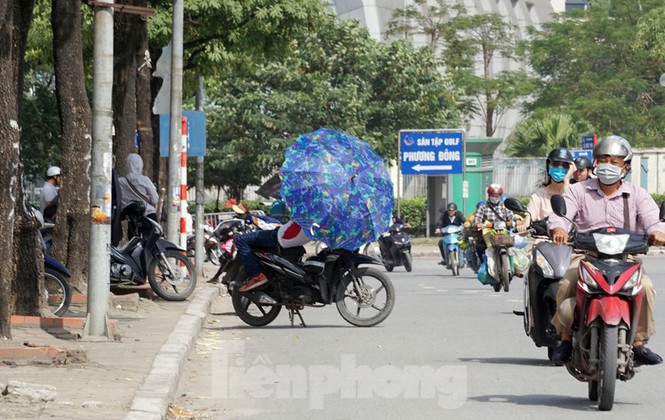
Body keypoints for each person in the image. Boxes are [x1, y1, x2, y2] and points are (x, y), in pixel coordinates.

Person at [549, 135, 665, 365]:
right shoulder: (578, 191)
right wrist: (559, 229)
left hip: (626, 259)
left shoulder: (637, 194)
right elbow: (560, 215)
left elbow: (653, 219)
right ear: (594, 162)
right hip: (586, 257)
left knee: (647, 287)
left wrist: (658, 233)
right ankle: (564, 339)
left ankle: (638, 342)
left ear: (626, 166)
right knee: (565, 283)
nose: (608, 166)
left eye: (615, 161)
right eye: (603, 159)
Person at [236, 219, 311, 292]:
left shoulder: (304, 214)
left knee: (241, 240)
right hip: (290, 239)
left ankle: (256, 275)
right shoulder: (318, 223)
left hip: (279, 237)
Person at [519, 147, 575, 230]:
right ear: (548, 166)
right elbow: (528, 219)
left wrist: (567, 181)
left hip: (571, 240)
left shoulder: (576, 192)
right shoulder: (538, 196)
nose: (560, 168)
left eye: (564, 165)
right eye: (555, 164)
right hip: (545, 239)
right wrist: (524, 226)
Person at [118, 154, 159, 236]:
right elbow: (155, 199)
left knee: (134, 244)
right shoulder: (144, 180)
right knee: (152, 244)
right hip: (149, 216)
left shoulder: (120, 182)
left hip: (132, 219)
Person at [474, 184, 515, 259]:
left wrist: (517, 221)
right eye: (493, 195)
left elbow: (512, 217)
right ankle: (484, 264)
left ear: (500, 196)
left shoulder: (505, 206)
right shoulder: (483, 207)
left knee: (516, 246)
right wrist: (479, 224)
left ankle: (514, 267)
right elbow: (477, 219)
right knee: (479, 246)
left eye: (497, 196)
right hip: (488, 234)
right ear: (489, 195)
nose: (495, 198)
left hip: (504, 232)